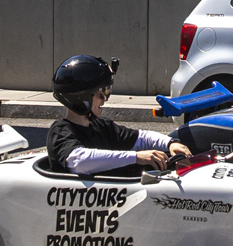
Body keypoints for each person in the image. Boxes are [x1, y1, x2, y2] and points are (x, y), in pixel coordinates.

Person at [46, 55, 189, 177]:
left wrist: (170, 143)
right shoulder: (60, 131)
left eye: (107, 93)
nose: (105, 100)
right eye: (100, 94)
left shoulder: (101, 126)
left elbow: (141, 138)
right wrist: (136, 157)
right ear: (80, 97)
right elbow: (78, 162)